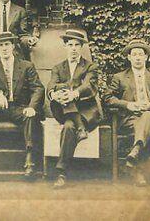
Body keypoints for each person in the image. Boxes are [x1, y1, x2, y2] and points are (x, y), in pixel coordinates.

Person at [0, 31, 44, 177]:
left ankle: (30, 159)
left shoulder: (26, 65)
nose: (4, 48)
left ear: (13, 46)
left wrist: (31, 107)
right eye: (0, 45)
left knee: (30, 116)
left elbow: (38, 88)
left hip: (20, 107)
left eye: (7, 44)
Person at [105, 39, 150, 187]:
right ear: (129, 57)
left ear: (146, 57)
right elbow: (107, 98)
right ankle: (137, 159)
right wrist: (128, 105)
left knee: (148, 115)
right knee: (143, 125)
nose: (137, 57)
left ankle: (136, 154)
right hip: (130, 119)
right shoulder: (119, 77)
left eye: (141, 54)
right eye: (134, 54)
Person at [46, 28, 103, 189]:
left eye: (77, 45)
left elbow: (89, 86)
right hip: (62, 109)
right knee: (62, 91)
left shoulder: (90, 67)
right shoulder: (58, 67)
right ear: (65, 46)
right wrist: (54, 94)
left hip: (86, 112)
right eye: (70, 44)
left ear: (81, 47)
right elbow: (51, 85)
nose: (73, 48)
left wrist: (73, 93)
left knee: (68, 127)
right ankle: (80, 129)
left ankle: (61, 172)